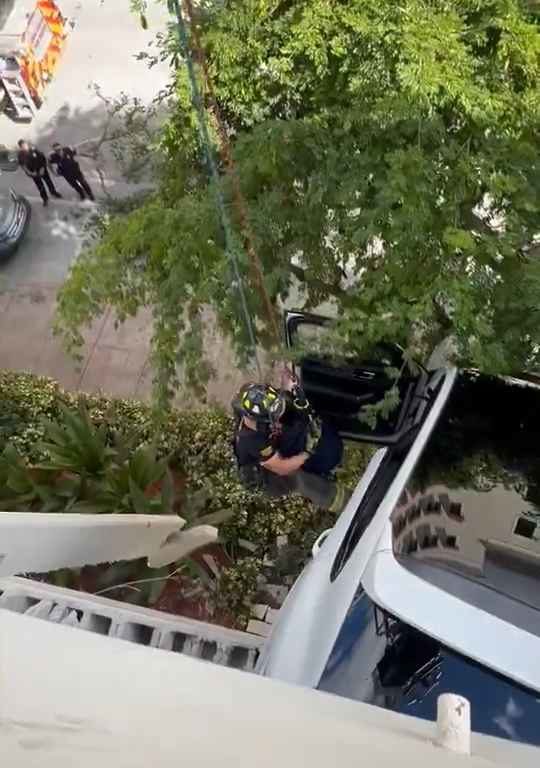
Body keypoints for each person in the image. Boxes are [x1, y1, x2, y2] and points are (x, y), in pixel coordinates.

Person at [232, 377, 347, 512]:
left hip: (270, 446)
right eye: (273, 420)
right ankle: (343, 503)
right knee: (297, 478)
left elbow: (277, 400)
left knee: (294, 430)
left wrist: (288, 387)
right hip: (265, 476)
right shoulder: (251, 440)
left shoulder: (255, 395)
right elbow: (282, 467)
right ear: (259, 420)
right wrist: (307, 452)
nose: (278, 421)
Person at [17, 140, 62, 207]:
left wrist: (43, 168)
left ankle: (53, 192)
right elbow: (23, 166)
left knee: (48, 182)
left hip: (42, 169)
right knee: (40, 186)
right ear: (21, 147)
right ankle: (45, 198)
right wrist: (30, 173)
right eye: (23, 146)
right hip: (33, 173)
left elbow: (43, 157)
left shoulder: (33, 149)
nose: (25, 146)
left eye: (25, 145)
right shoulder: (20, 155)